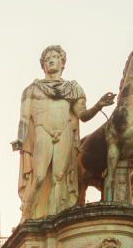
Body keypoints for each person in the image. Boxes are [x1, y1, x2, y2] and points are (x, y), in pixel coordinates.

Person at [13, 45, 115, 219]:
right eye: (47, 59)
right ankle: (28, 213)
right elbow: (24, 118)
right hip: (41, 130)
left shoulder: (73, 89)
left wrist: (98, 105)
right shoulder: (31, 90)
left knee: (59, 176)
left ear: (62, 62)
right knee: (38, 177)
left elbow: (82, 115)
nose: (51, 60)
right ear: (43, 65)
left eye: (55, 57)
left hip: (64, 131)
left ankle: (54, 217)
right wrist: (20, 139)